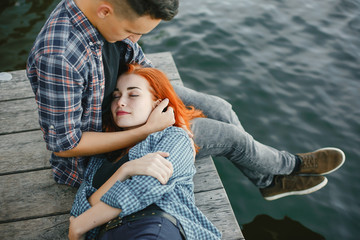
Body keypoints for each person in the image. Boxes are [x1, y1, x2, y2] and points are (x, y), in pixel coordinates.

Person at [26, 0, 345, 202]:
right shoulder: (60, 55)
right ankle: (287, 167)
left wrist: (157, 96)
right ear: (105, 10)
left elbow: (142, 67)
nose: (133, 40)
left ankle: (267, 179)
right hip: (103, 156)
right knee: (229, 138)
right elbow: (65, 144)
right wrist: (147, 129)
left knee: (220, 107)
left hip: (126, 99)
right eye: (131, 31)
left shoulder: (108, 21)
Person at [69, 65, 221, 240]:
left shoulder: (174, 138)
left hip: (152, 227)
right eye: (115, 96)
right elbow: (80, 208)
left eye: (133, 94)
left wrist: (84, 223)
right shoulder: (101, 155)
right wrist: (124, 171)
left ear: (158, 103)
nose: (120, 102)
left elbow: (145, 187)